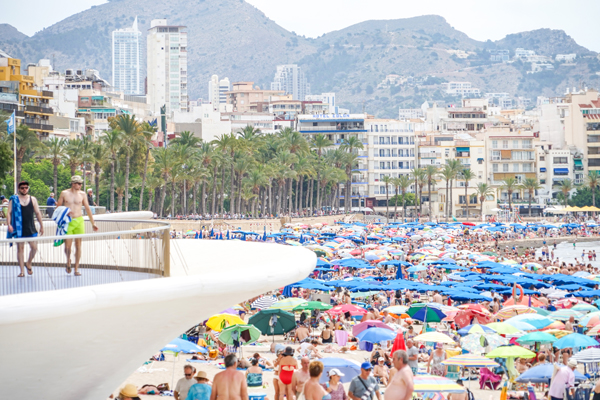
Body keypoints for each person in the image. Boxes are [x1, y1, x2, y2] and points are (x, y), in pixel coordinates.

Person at [56, 175, 99, 275]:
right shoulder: (64, 193)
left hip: (79, 220)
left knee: (78, 245)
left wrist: (93, 223)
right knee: (67, 246)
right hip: (68, 221)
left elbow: (88, 208)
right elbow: (58, 207)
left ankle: (76, 268)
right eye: (79, 183)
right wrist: (64, 212)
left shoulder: (83, 194)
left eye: (81, 183)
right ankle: (68, 260)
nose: (80, 185)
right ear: (73, 183)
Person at [6, 181, 44, 277]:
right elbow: (9, 213)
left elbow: (38, 213)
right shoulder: (14, 200)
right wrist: (9, 224)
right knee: (20, 249)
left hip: (31, 227)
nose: (24, 189)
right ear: (19, 189)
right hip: (19, 228)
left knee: (34, 248)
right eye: (22, 188)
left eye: (26, 187)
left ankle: (28, 263)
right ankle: (22, 271)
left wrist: (41, 225)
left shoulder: (33, 199)